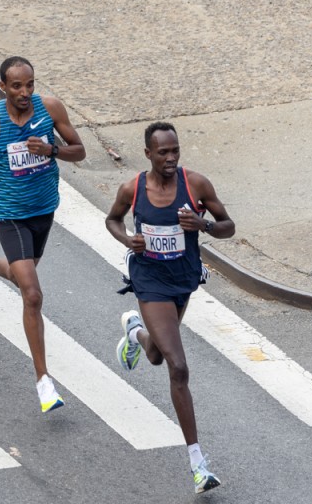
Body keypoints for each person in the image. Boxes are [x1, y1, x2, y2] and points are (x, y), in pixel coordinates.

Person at [105, 121, 234, 494]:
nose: (171, 158)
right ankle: (198, 464)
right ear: (148, 154)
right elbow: (112, 219)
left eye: (175, 150)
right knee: (178, 366)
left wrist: (204, 225)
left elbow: (229, 226)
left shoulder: (196, 185)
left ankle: (135, 333)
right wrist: (128, 240)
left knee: (158, 356)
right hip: (149, 281)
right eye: (163, 152)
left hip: (183, 279)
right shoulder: (133, 189)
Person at [0, 56, 86, 414]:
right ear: (2, 86)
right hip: (9, 214)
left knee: (19, 273)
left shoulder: (50, 109)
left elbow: (80, 150)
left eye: (29, 84)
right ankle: (43, 380)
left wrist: (51, 150)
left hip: (43, 211)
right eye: (17, 86)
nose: (25, 92)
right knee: (32, 293)